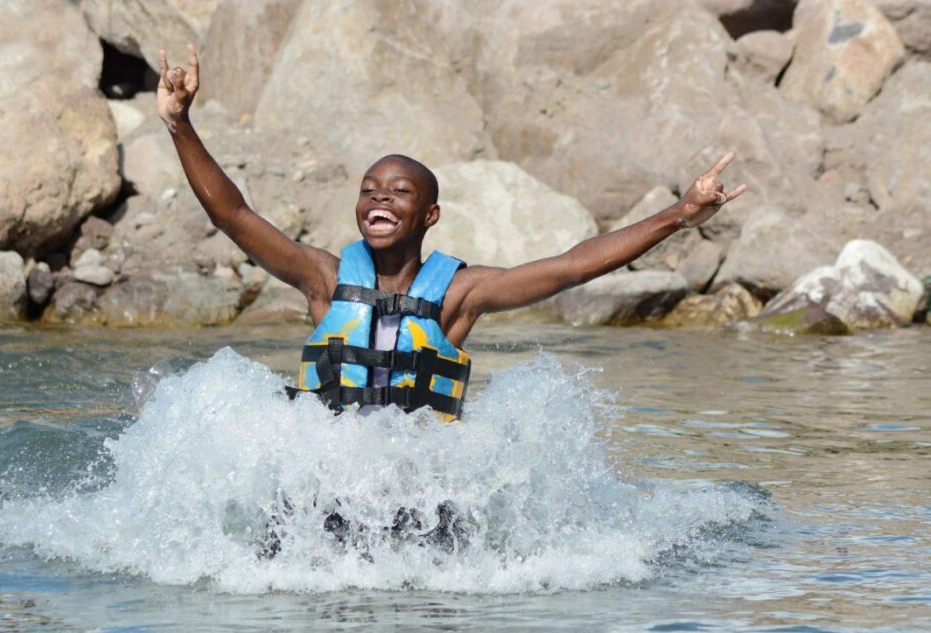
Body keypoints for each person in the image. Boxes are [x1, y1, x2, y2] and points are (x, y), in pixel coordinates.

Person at [157, 45, 747, 421]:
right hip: (328, 478)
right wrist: (180, 124)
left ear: (429, 216)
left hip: (418, 484)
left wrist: (678, 215)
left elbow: (573, 266)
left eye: (399, 191)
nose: (379, 196)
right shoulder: (325, 278)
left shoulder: (459, 294)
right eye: (369, 189)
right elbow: (233, 217)